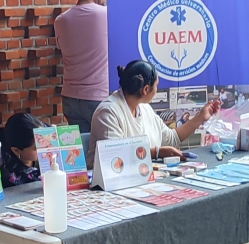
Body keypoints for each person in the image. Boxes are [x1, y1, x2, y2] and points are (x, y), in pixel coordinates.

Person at [88, 60, 220, 168]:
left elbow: (172, 138)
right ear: (145, 89)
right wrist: (155, 152)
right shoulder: (109, 112)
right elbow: (113, 157)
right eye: (156, 85)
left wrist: (200, 117)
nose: (157, 90)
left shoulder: (145, 108)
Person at [54, 0, 109, 133]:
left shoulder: (61, 20)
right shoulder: (107, 15)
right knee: (106, 154)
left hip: (70, 99)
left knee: (81, 155)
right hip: (98, 98)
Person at [0, 113, 49, 188]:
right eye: (36, 148)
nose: (44, 148)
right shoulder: (12, 176)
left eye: (44, 142)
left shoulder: (44, 132)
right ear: (16, 150)